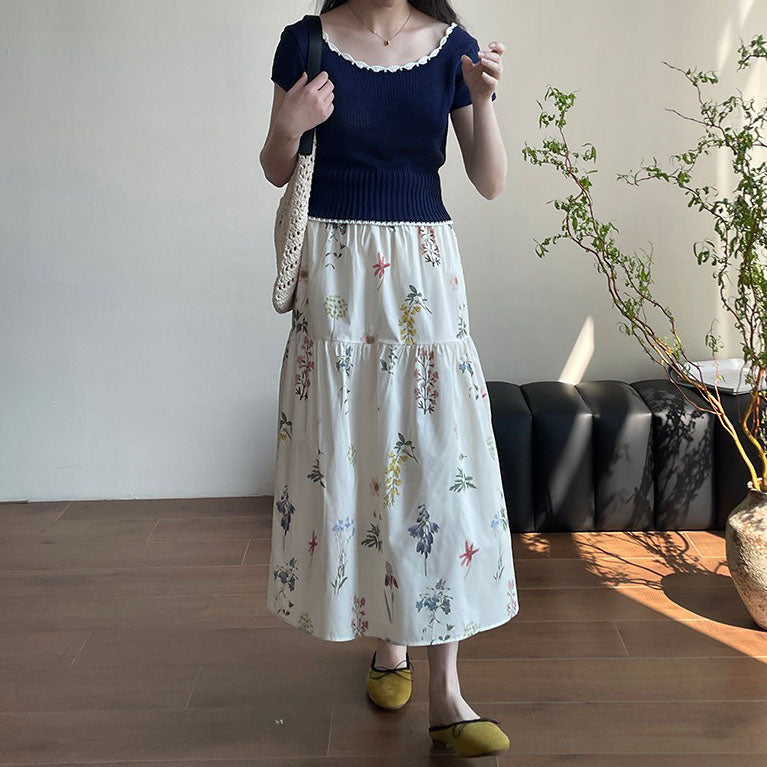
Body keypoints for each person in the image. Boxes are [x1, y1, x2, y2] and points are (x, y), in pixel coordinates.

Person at [260, 0, 519, 757]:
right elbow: (275, 167)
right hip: (336, 276)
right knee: (363, 454)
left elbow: (490, 180)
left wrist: (481, 100)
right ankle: (388, 642)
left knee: (436, 463)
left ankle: (446, 693)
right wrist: (290, 124)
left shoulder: (452, 47)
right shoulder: (305, 41)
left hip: (422, 275)